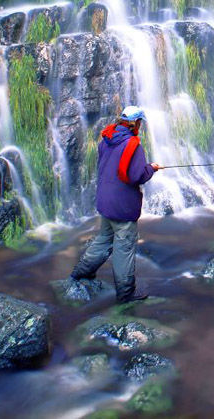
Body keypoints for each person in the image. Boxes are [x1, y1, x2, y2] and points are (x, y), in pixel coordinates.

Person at [70, 105, 163, 302]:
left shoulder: (107, 139)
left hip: (105, 200)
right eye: (139, 123)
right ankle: (125, 292)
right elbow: (136, 176)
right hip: (123, 206)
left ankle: (80, 272)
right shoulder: (133, 145)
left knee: (103, 239)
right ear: (135, 123)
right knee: (124, 247)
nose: (140, 127)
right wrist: (151, 168)